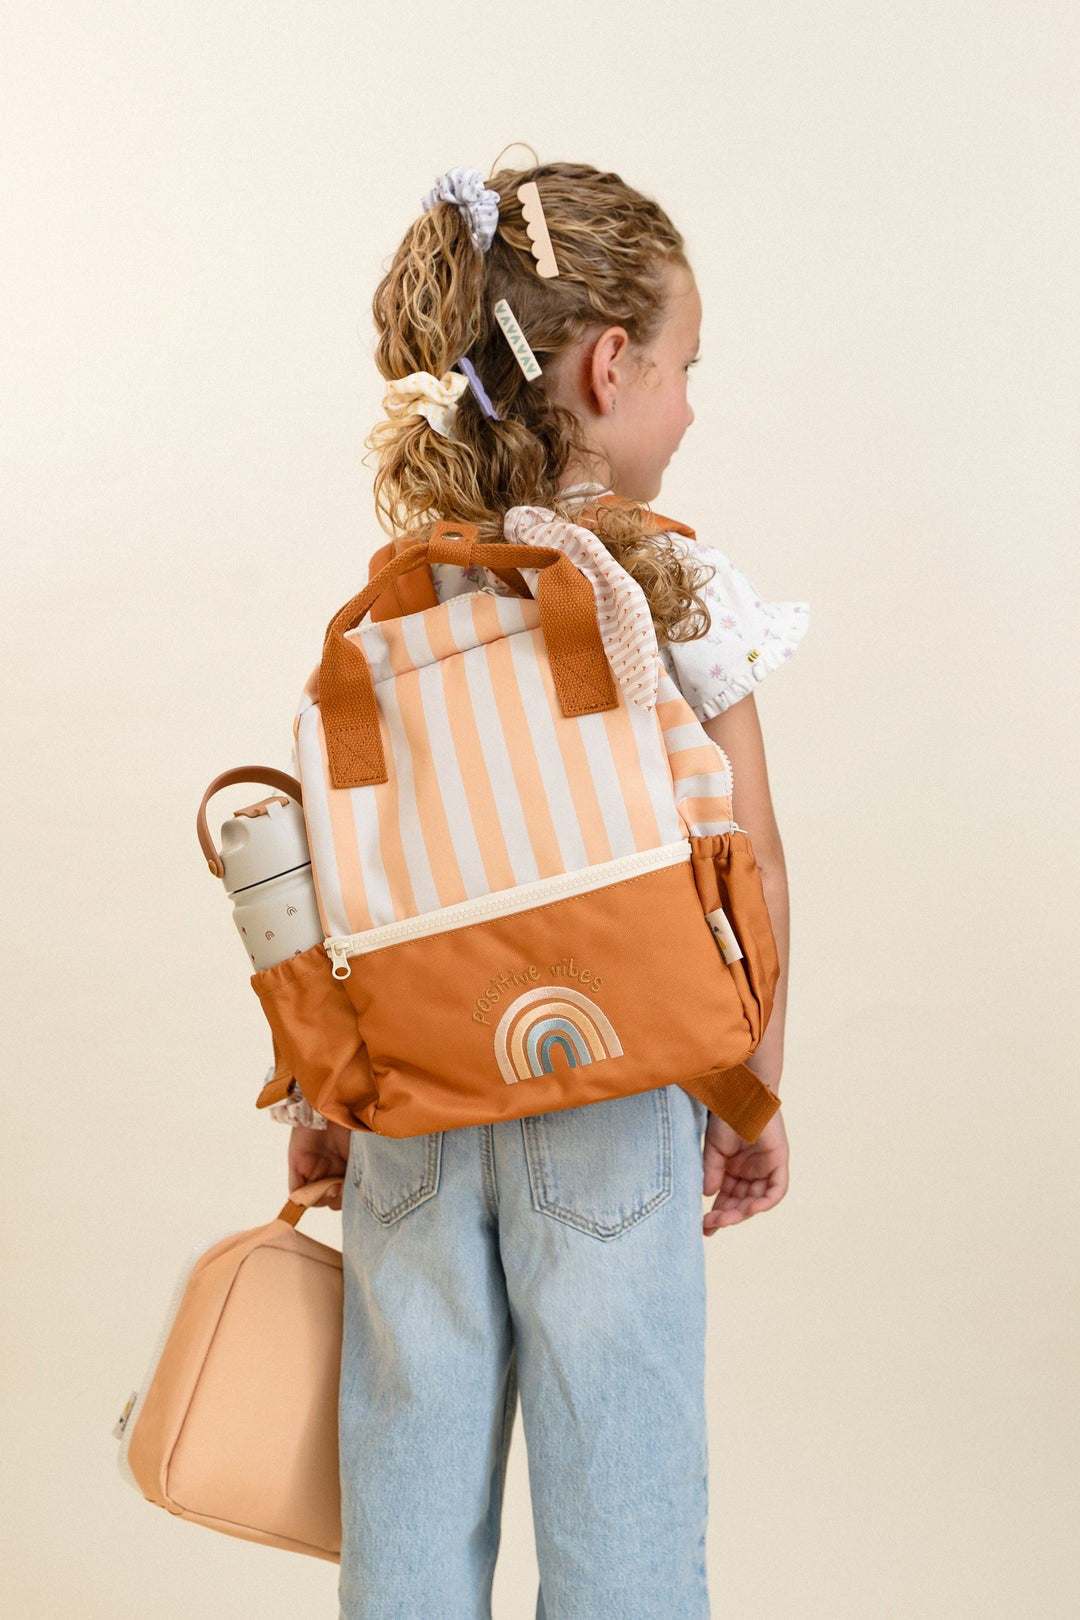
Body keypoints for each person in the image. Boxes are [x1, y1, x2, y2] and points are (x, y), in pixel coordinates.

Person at [282, 159, 810, 1620]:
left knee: (408, 1496)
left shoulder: (405, 601)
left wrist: (329, 1104)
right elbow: (750, 857)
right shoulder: (670, 591)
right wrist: (752, 1085)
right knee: (620, 1491)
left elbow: (359, 893)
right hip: (613, 1086)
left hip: (413, 1111)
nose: (693, 403)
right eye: (688, 365)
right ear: (610, 363)